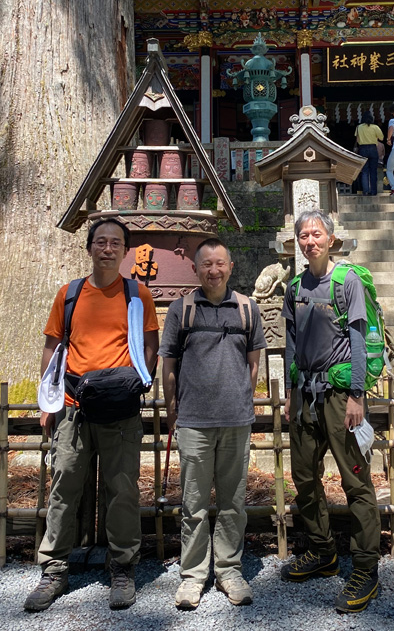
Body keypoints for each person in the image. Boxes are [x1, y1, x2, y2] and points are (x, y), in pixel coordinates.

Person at [24, 218, 159, 613]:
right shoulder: (69, 294)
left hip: (120, 408)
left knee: (122, 489)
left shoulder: (138, 295)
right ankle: (54, 569)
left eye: (115, 243)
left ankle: (122, 566)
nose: (107, 249)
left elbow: (150, 344)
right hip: (73, 407)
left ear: (124, 251)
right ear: (89, 248)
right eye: (100, 242)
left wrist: (136, 382)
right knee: (65, 487)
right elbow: (53, 347)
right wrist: (47, 402)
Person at [280, 210, 381, 614]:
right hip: (305, 392)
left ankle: (366, 568)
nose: (310, 241)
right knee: (304, 475)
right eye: (303, 235)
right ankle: (323, 551)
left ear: (331, 238)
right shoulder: (295, 286)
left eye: (316, 234)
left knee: (356, 481)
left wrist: (357, 394)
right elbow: (290, 341)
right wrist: (290, 390)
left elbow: (358, 339)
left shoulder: (347, 281)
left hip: (341, 394)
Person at [160, 238, 267, 610]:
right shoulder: (181, 310)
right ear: (195, 268)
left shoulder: (247, 309)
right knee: (193, 503)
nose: (214, 270)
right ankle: (192, 575)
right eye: (206, 264)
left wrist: (240, 398)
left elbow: (254, 364)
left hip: (236, 420)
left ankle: (229, 569)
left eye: (220, 263)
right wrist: (172, 407)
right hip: (193, 421)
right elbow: (169, 364)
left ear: (231, 267)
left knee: (233, 501)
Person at [355, 110, 384, 195]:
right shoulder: (375, 127)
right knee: (373, 171)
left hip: (363, 149)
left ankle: (365, 191)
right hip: (373, 148)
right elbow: (381, 138)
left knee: (364, 171)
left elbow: (357, 140)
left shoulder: (359, 127)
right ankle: (374, 191)